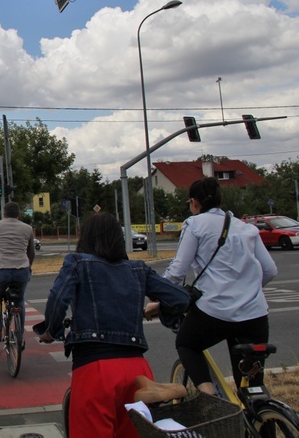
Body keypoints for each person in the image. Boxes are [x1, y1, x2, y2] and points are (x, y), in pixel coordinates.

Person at [35, 212, 190, 438]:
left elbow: (58, 300)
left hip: (96, 370)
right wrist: (157, 309)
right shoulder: (139, 269)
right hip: (138, 371)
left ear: (85, 239)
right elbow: (180, 298)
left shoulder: (77, 263)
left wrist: (51, 331)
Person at [145, 177, 278, 396]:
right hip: (255, 315)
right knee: (251, 384)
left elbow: (178, 271)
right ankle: (263, 418)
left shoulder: (195, 225)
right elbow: (270, 270)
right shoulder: (245, 227)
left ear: (194, 202)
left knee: (187, 344)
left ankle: (210, 398)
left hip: (215, 311)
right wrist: (248, 291)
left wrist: (158, 297)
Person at [0, 201, 35, 339]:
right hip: (22, 269)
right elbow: (31, 252)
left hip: (2, 269)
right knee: (20, 300)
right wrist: (29, 266)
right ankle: (20, 335)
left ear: (4, 214)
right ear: (19, 215)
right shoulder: (28, 228)